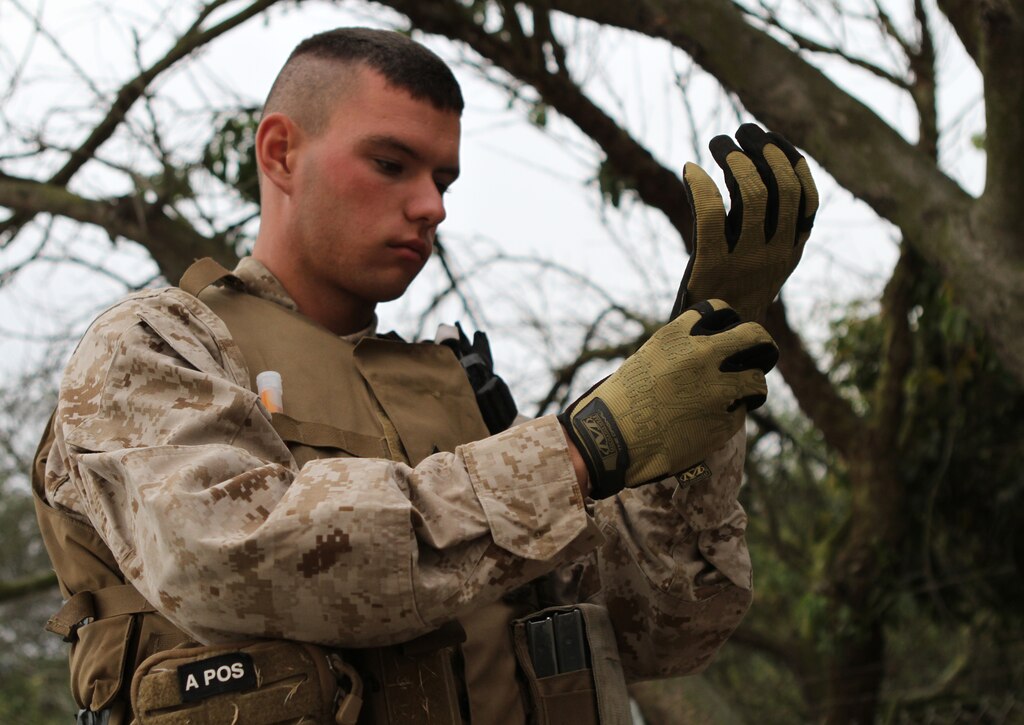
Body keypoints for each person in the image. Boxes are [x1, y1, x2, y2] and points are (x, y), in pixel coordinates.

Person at [33, 27, 816, 725]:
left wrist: (706, 377)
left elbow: (666, 625)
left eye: (443, 180)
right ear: (280, 152)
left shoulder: (460, 391)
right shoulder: (152, 347)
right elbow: (227, 557)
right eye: (391, 163)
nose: (431, 206)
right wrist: (583, 448)